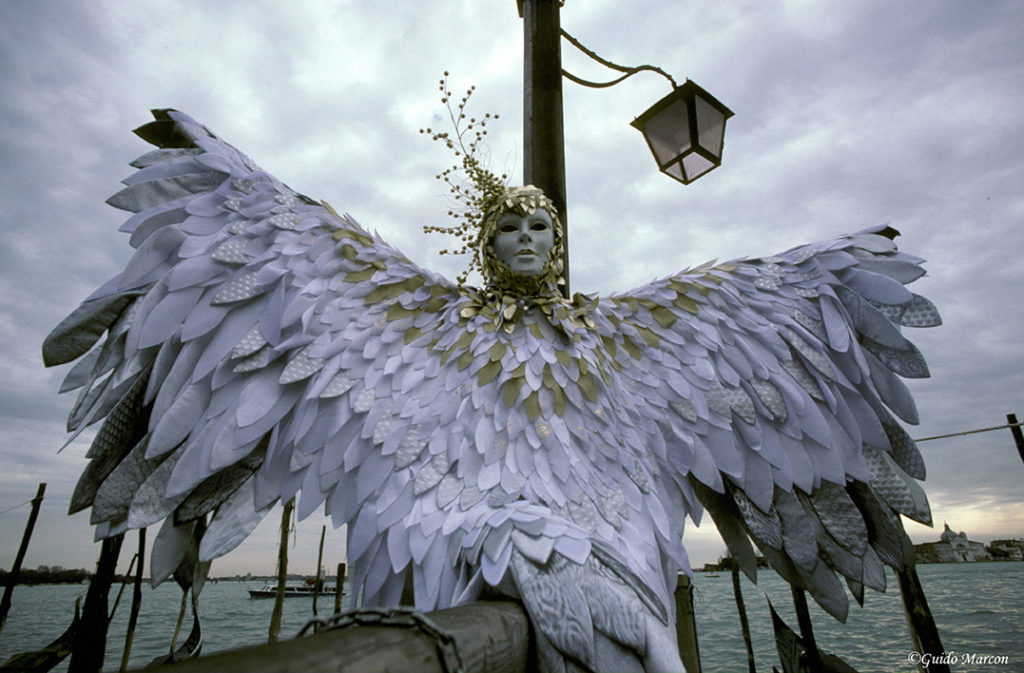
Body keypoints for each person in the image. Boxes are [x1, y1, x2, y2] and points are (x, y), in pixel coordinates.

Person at [45, 110, 939, 673]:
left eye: (540, 224)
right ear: (486, 243)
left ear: (558, 240)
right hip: (442, 544)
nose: (525, 237)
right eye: (508, 225)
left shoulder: (625, 331)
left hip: (606, 538)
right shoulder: (420, 317)